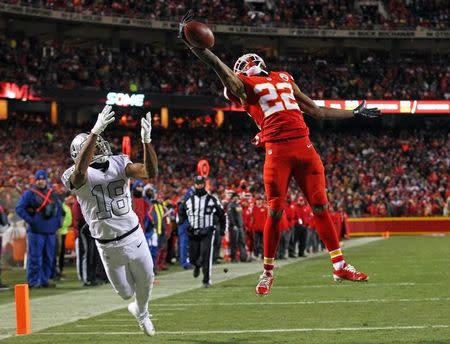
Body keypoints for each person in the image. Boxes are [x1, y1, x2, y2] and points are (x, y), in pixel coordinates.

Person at [179, 11, 379, 295]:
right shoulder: (242, 86)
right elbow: (221, 70)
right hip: (279, 151)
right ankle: (267, 272)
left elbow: (316, 110)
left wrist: (354, 113)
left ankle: (339, 264)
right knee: (275, 211)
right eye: (242, 63)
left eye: (250, 60)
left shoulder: (284, 76)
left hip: (305, 146)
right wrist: (200, 50)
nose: (247, 63)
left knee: (321, 205)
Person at [61, 106, 158, 336]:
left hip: (133, 235)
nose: (100, 147)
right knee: (125, 293)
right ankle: (133, 303)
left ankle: (142, 312)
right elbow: (80, 176)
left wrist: (147, 141)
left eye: (99, 142)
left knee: (147, 281)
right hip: (107, 246)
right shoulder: (72, 175)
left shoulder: (119, 162)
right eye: (94, 145)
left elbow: (149, 172)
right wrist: (93, 132)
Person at [178, 176, 227, 288]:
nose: (199, 186)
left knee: (206, 255)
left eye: (201, 184)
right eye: (197, 184)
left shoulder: (212, 199)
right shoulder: (189, 200)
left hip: (208, 231)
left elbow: (222, 215)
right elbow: (181, 211)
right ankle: (196, 265)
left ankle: (206, 280)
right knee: (193, 257)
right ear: (194, 185)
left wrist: (223, 229)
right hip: (193, 232)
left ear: (204, 184)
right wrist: (180, 221)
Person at [16, 170, 63, 288]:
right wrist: (32, 221)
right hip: (36, 232)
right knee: (35, 257)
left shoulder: (52, 193)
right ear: (35, 180)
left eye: (42, 179)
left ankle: (44, 280)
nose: (40, 181)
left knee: (49, 257)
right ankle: (33, 281)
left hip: (50, 231)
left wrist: (57, 224)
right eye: (38, 179)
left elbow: (59, 210)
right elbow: (19, 208)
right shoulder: (30, 194)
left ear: (46, 180)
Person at [227, 192, 248, 262]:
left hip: (240, 226)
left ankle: (243, 257)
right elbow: (230, 216)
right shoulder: (231, 205)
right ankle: (233, 258)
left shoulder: (238, 205)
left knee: (242, 242)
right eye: (235, 196)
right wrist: (233, 225)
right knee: (234, 242)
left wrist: (242, 224)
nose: (236, 198)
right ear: (232, 197)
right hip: (234, 227)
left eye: (237, 196)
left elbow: (240, 216)